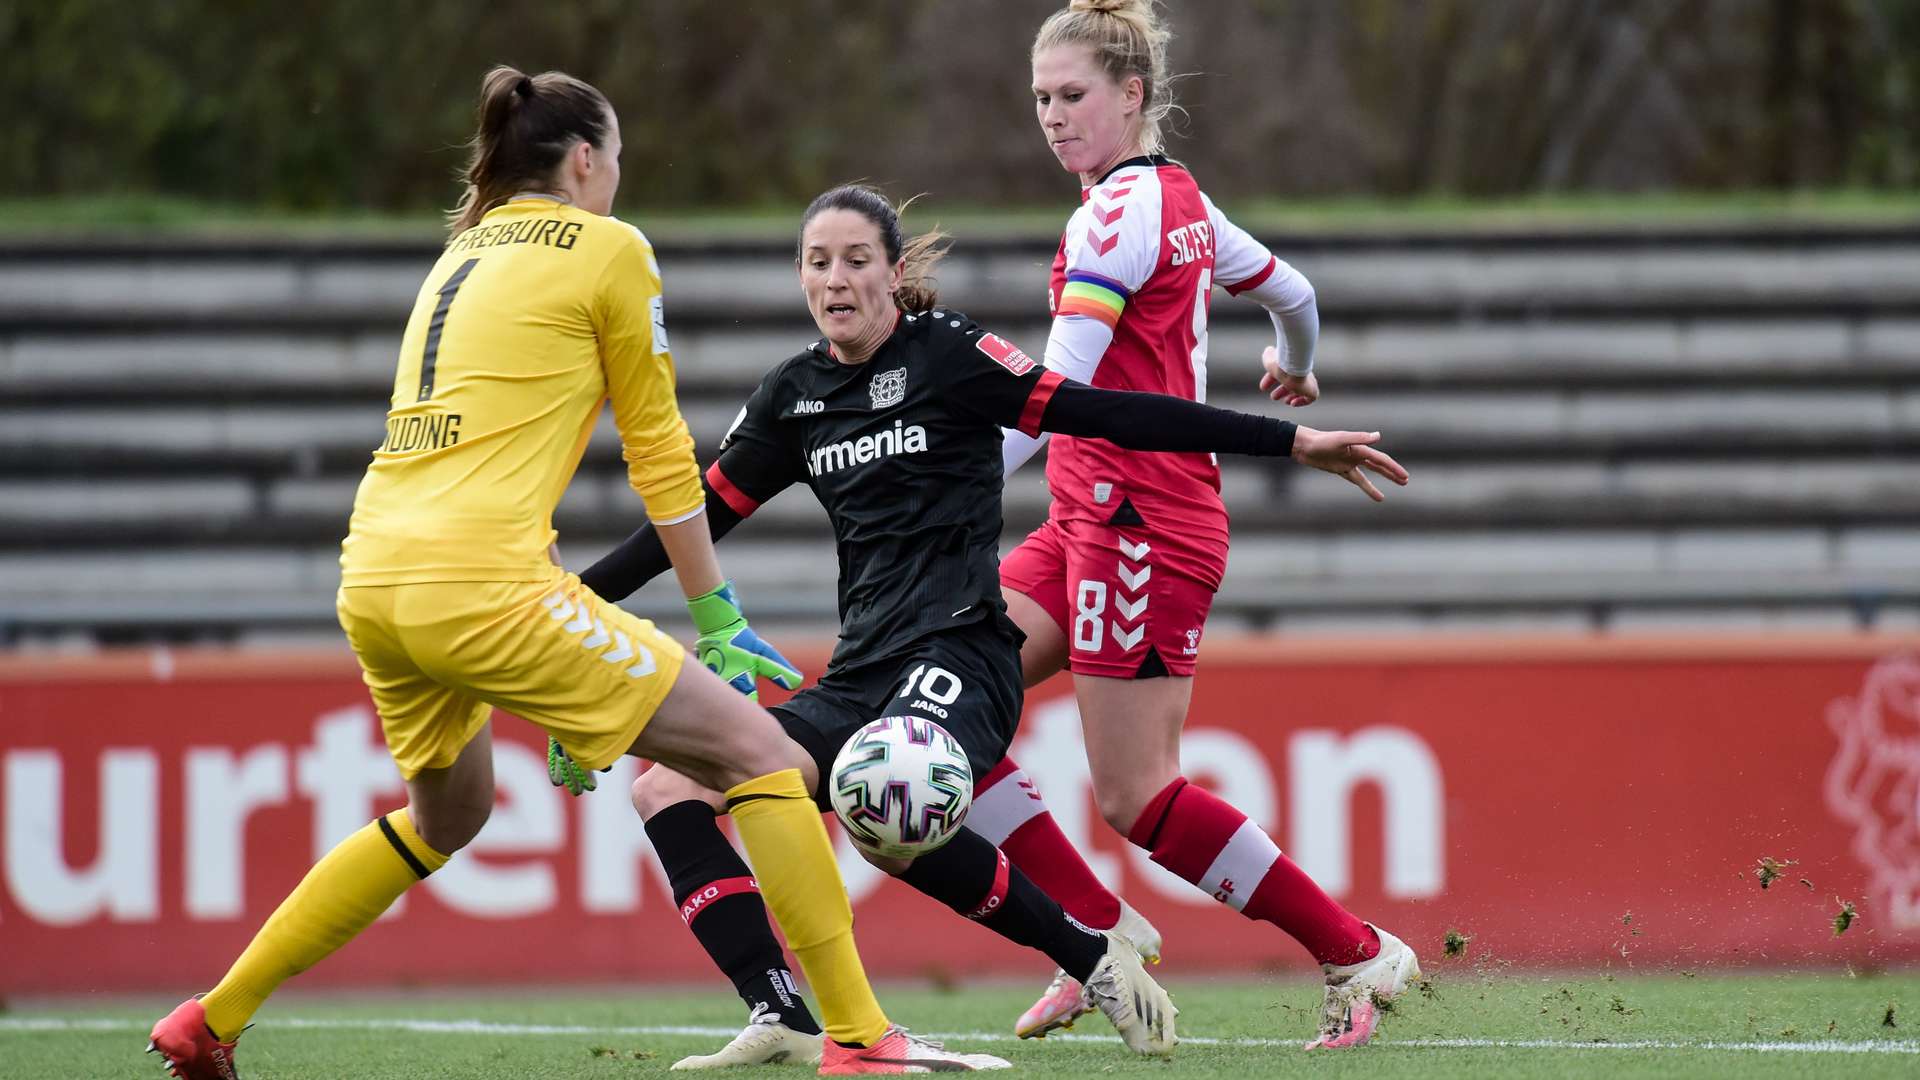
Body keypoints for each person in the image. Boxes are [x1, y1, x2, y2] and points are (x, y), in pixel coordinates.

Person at [145, 68, 1006, 1079]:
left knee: (446, 817)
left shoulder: (460, 252)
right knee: (759, 758)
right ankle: (862, 1042)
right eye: (620, 163)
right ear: (586, 160)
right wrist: (715, 615)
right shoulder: (609, 248)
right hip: (483, 583)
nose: (619, 185)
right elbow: (659, 460)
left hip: (376, 574)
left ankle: (213, 1017)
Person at [555, 183, 1406, 1068]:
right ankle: (779, 1012)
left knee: (884, 789)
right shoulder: (795, 396)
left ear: (893, 272)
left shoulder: (947, 353)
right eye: (817, 262)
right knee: (665, 787)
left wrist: (1290, 441)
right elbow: (686, 526)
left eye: (856, 260)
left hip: (963, 648)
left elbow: (1103, 410)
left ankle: (1091, 954)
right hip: (863, 673)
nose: (835, 279)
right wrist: (564, 604)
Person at [986, 0, 1424, 1052]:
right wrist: (1299, 367)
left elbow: (1060, 393)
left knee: (1137, 797)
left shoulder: (1113, 217)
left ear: (1132, 95)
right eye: (1041, 97)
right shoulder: (1177, 199)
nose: (1053, 116)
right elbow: (1294, 291)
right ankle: (1096, 933)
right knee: (937, 707)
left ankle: (1356, 948)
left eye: (1074, 95)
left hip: (1143, 523)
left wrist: (932, 487)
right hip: (1088, 515)